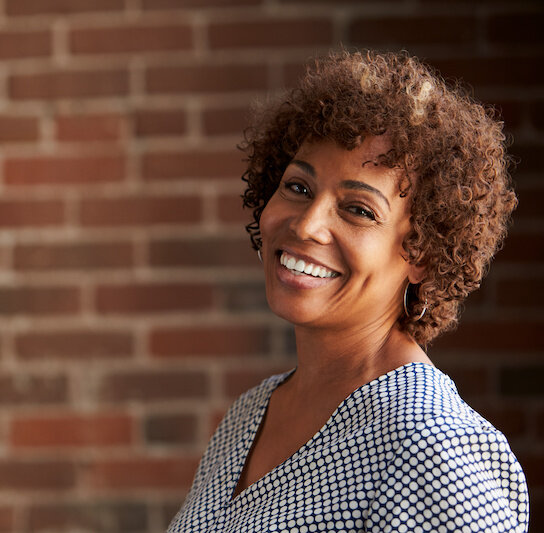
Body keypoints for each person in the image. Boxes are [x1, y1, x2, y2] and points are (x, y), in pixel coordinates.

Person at [167, 50, 529, 532]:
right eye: (297, 187)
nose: (308, 224)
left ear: (422, 253)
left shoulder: (431, 445)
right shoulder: (250, 414)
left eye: (359, 210)